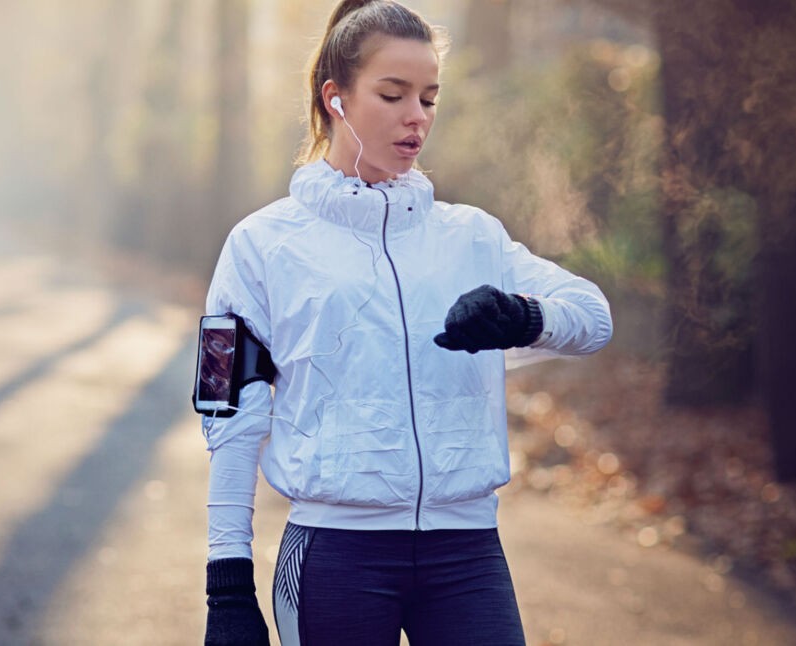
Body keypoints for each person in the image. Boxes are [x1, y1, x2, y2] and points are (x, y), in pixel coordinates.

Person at [199, 1, 613, 644]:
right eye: (393, 95)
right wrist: (226, 588)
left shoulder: (471, 236)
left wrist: (523, 316)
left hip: (468, 558)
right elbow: (227, 414)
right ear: (335, 98)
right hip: (335, 558)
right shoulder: (260, 244)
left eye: (429, 97)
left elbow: (594, 317)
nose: (416, 115)